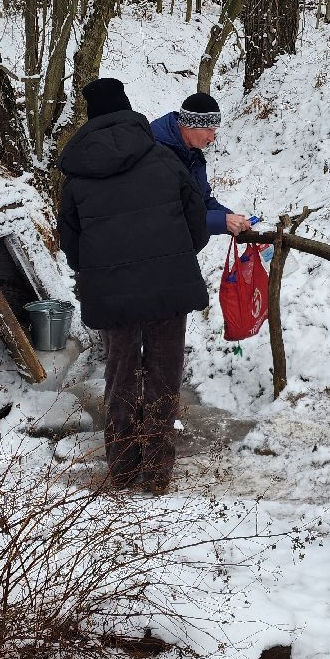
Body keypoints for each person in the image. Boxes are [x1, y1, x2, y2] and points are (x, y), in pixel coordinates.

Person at [57, 78, 210, 494]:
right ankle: (157, 471)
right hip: (167, 287)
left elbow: (70, 246)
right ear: (128, 110)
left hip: (112, 294)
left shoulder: (77, 178)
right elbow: (196, 226)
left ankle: (122, 467)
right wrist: (172, 256)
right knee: (163, 374)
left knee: (120, 373)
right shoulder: (164, 160)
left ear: (89, 121)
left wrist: (104, 269)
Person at [149, 92, 252, 237]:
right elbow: (167, 215)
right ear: (191, 124)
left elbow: (201, 201)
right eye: (209, 129)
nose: (212, 138)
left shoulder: (192, 154)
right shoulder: (156, 153)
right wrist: (222, 221)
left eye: (214, 131)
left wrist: (232, 219)